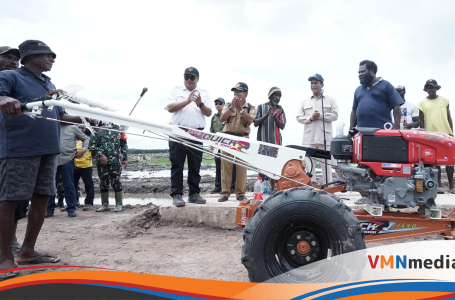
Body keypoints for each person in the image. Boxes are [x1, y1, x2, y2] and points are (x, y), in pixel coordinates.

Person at [0, 40, 86, 274]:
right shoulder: (11, 77)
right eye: (47, 54)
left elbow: (61, 115)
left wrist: (85, 118)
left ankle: (27, 251)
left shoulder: (49, 83)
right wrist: (4, 99)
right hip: (20, 148)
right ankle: (4, 257)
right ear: (30, 56)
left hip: (49, 149)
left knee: (41, 197)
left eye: (53, 55)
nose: (52, 58)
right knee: (9, 201)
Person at [165, 67, 212, 207]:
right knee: (177, 165)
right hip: (178, 132)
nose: (189, 80)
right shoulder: (175, 90)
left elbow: (209, 113)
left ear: (197, 79)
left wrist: (200, 104)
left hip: (196, 134)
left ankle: (194, 194)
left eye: (192, 78)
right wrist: (187, 101)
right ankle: (177, 194)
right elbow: (170, 108)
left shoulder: (203, 93)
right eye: (187, 77)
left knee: (195, 165)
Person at [0, 46, 28, 255]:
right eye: (7, 57)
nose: (13, 61)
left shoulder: (18, 83)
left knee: (16, 199)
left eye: (15, 59)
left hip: (14, 149)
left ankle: (11, 238)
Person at [296, 74, 338, 185]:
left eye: (316, 83)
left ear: (322, 84)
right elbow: (299, 117)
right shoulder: (305, 101)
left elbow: (335, 115)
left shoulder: (330, 100)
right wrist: (311, 118)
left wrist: (320, 115)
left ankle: (329, 190)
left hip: (325, 138)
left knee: (327, 167)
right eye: (312, 83)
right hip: (309, 139)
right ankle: (312, 189)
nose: (313, 85)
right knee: (310, 167)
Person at [218, 82, 255, 202]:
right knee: (226, 167)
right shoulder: (228, 105)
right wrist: (231, 108)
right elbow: (222, 118)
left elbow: (250, 121)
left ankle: (240, 194)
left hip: (243, 139)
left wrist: (240, 109)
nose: (236, 93)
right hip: (228, 138)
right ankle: (225, 193)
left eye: (239, 91)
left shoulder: (251, 107)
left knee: (242, 167)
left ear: (246, 93)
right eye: (235, 91)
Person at [418, 79, 454, 194]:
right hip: (431, 135)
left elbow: (449, 117)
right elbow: (421, 120)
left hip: (445, 133)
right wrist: (424, 134)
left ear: (436, 88)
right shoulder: (422, 103)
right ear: (426, 89)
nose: (430, 89)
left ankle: (451, 185)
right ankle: (438, 185)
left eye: (432, 87)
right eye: (428, 87)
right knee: (435, 161)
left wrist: (451, 134)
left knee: (450, 161)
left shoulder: (444, 100)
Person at [45, 124, 89, 218]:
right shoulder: (51, 125)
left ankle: (71, 208)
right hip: (52, 159)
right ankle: (49, 209)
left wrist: (83, 150)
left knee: (69, 184)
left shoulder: (73, 128)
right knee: (51, 185)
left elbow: (85, 139)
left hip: (68, 159)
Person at [350, 60, 404, 130]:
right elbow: (354, 112)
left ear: (372, 71)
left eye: (363, 71)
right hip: (362, 133)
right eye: (359, 72)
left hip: (382, 132)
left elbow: (396, 106)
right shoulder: (358, 90)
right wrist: (350, 130)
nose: (360, 74)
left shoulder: (386, 85)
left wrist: (397, 129)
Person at [89, 122, 128, 212]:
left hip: (116, 160)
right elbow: (91, 145)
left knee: (116, 181)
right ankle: (105, 205)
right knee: (103, 182)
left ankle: (119, 204)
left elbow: (124, 145)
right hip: (102, 161)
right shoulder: (97, 130)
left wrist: (125, 158)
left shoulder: (119, 130)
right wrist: (100, 154)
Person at [254, 86, 287, 192]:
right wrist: (266, 115)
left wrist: (274, 117)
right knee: (261, 168)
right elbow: (255, 123)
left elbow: (282, 126)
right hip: (262, 142)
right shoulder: (261, 107)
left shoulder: (280, 109)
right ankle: (262, 191)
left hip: (275, 143)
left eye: (279, 96)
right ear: (270, 96)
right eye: (275, 95)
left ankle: (271, 192)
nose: (277, 98)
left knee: (273, 169)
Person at [210, 97, 236, 194]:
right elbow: (212, 131)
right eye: (216, 103)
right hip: (217, 144)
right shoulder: (214, 117)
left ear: (224, 104)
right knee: (218, 166)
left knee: (231, 167)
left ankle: (232, 187)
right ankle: (218, 187)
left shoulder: (228, 115)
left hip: (227, 144)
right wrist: (211, 146)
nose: (218, 105)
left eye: (220, 103)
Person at [74, 124, 95, 211]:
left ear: (85, 129)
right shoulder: (72, 139)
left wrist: (88, 158)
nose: (80, 129)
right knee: (73, 185)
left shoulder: (89, 139)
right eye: (78, 127)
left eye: (82, 128)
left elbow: (94, 152)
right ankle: (74, 202)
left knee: (88, 185)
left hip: (86, 166)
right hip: (74, 165)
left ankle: (89, 203)